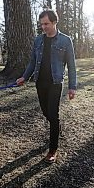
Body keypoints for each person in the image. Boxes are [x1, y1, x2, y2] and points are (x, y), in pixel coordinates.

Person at [16, 9, 77, 164]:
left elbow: (71, 65)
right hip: (40, 82)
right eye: (42, 24)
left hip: (55, 83)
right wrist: (24, 76)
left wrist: (72, 86)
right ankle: (56, 128)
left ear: (54, 22)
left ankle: (52, 149)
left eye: (46, 24)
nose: (43, 27)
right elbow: (32, 61)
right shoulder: (38, 40)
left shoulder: (65, 40)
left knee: (53, 114)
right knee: (46, 113)